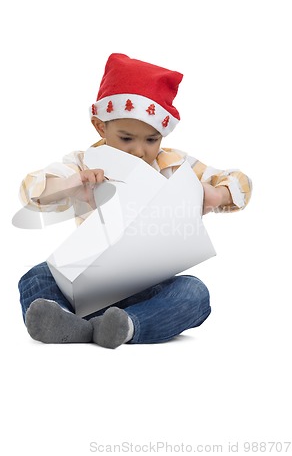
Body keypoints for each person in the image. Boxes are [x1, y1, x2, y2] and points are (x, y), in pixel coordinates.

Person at [18, 53, 252, 349]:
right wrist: (70, 186)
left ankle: (125, 326)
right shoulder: (84, 164)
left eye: (151, 140)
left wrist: (216, 194)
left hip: (147, 288)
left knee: (195, 293)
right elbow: (32, 189)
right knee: (35, 277)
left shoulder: (174, 166)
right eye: (126, 138)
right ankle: (69, 323)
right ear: (101, 127)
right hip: (84, 282)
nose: (139, 151)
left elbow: (241, 182)